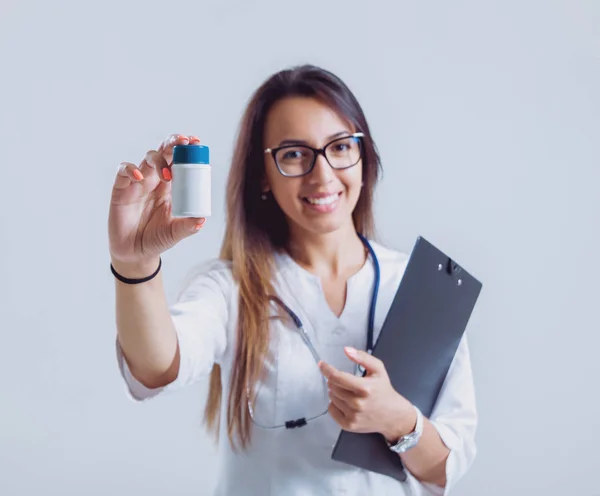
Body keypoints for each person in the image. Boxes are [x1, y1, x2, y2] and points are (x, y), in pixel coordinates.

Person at [108, 64, 477, 496]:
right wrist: (134, 264)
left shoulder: (421, 288)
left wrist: (397, 420)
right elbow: (156, 367)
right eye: (295, 154)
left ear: (364, 156)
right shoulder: (233, 287)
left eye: (340, 147)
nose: (322, 175)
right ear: (263, 175)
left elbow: (443, 470)